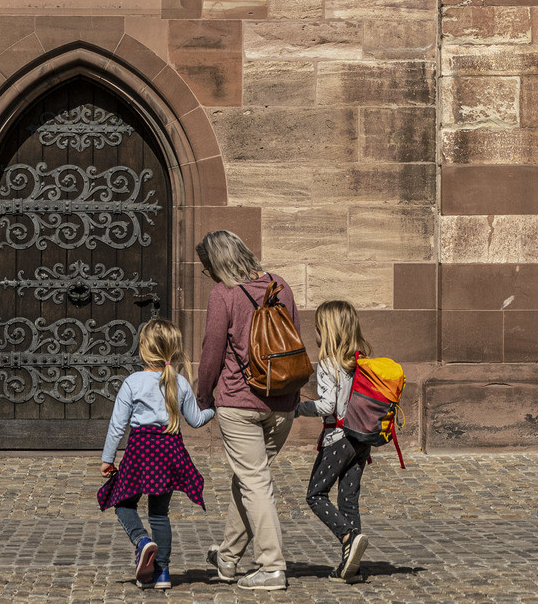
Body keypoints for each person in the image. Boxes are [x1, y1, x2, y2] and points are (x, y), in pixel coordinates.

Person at [195, 230, 304, 591]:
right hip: (283, 402)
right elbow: (295, 344)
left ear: (217, 262)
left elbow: (211, 353)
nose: (207, 273)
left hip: (239, 402)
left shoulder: (223, 294)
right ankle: (227, 558)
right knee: (249, 479)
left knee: (254, 481)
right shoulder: (281, 286)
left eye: (206, 266)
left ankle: (272, 566)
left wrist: (203, 396)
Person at [98, 319, 213, 589]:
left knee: (123, 503)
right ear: (172, 350)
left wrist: (107, 459)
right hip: (170, 452)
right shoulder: (180, 382)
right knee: (159, 514)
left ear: (143, 349)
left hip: (140, 452)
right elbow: (196, 420)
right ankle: (161, 573)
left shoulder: (133, 382)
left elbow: (117, 425)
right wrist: (214, 408)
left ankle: (141, 540)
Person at [298, 299, 371, 585]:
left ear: (328, 331)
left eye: (317, 328)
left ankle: (348, 537)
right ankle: (351, 567)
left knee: (315, 494)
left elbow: (328, 405)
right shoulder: (360, 362)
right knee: (349, 499)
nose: (314, 333)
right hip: (361, 441)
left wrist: (298, 409)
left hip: (339, 438)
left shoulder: (328, 364)